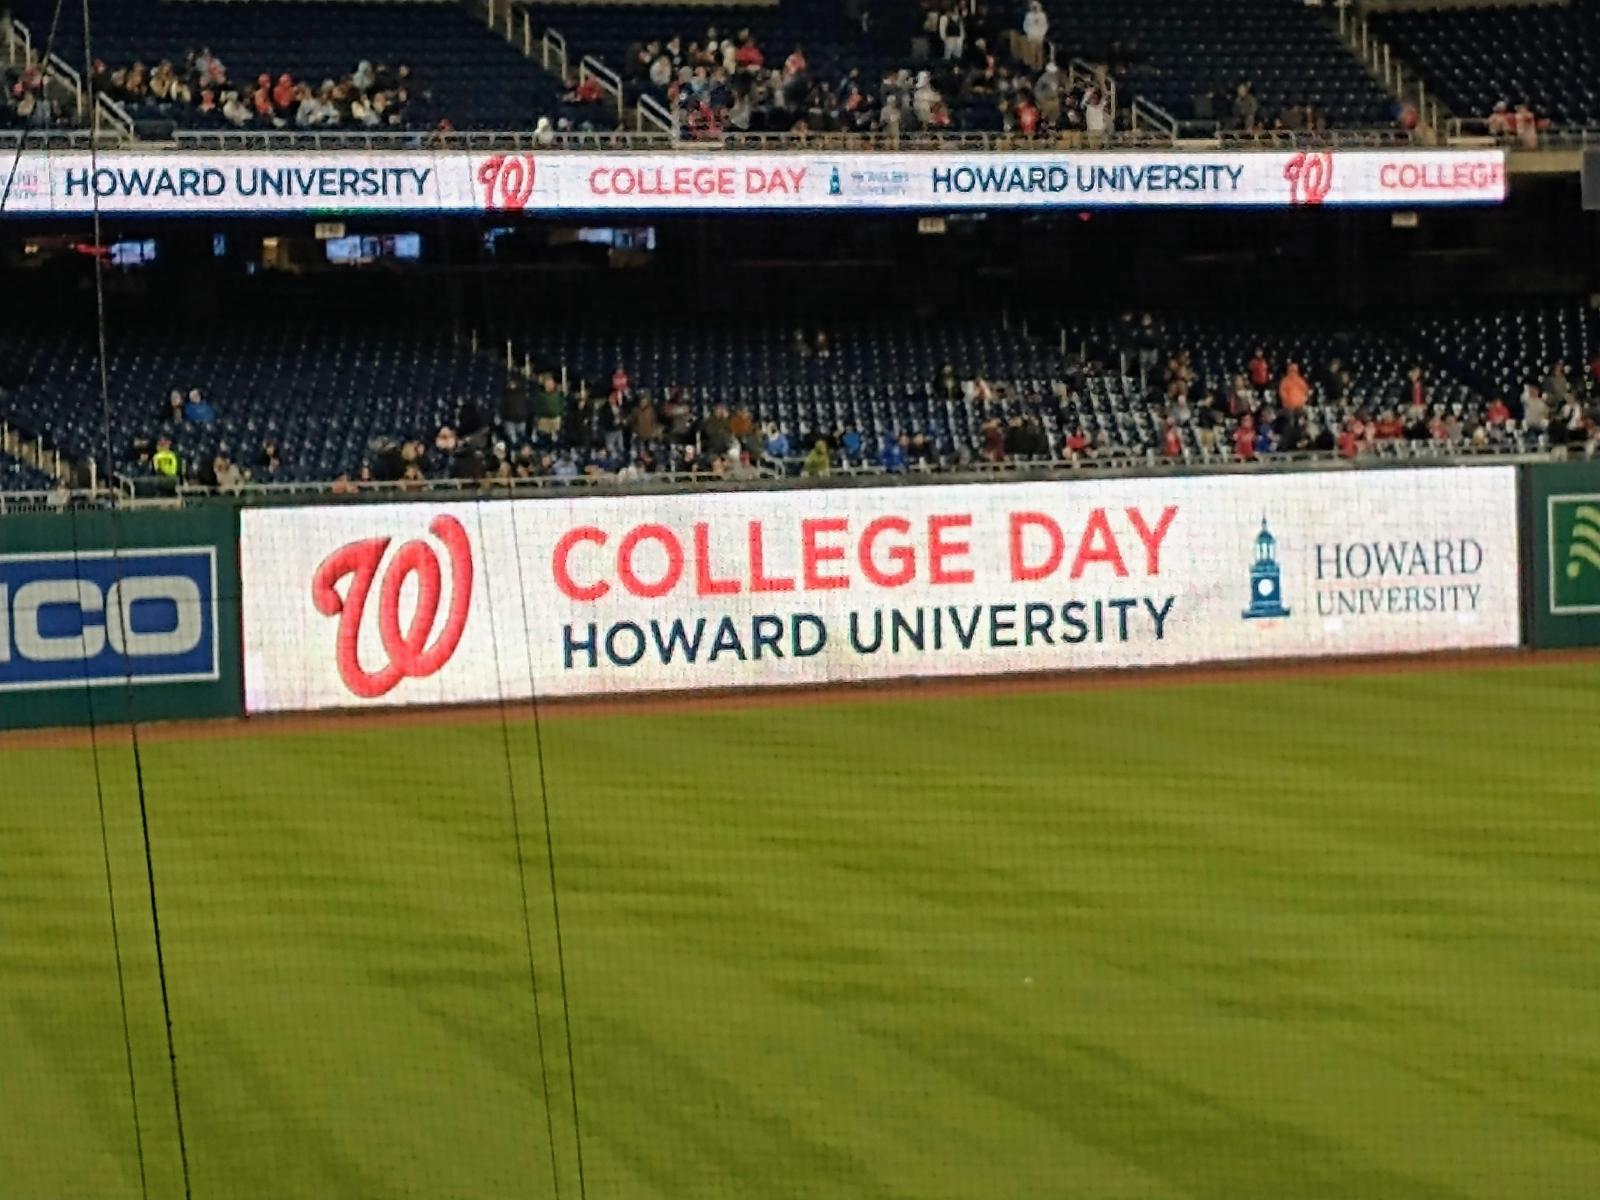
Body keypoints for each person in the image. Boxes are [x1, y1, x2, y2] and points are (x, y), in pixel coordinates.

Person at [1020, 0, 1048, 70]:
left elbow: (1045, 26)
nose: (1035, 8)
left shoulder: (1042, 15)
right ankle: (1032, 67)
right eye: (1033, 7)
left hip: (1040, 37)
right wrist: (1030, 34)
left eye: (1036, 7)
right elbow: (1025, 26)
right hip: (1031, 37)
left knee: (1039, 53)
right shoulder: (1028, 15)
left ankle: (1039, 67)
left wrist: (1041, 34)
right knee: (1032, 53)